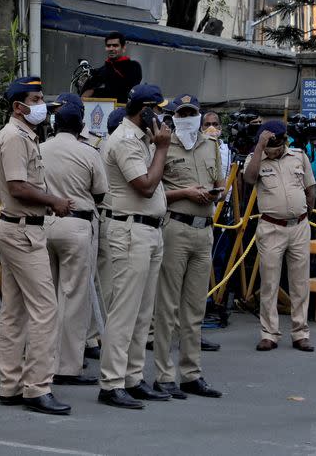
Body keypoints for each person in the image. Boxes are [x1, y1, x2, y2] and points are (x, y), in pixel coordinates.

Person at [0, 76, 73, 415]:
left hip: (18, 228)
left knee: (15, 311)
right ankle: (37, 387)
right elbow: (18, 187)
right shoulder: (14, 137)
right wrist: (53, 200)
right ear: (18, 106)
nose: (41, 105)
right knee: (44, 310)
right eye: (36, 98)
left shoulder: (23, 135)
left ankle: (11, 385)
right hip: (23, 231)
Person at [98, 83, 172, 410]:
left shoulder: (142, 139)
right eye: (158, 109)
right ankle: (112, 382)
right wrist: (163, 149)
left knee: (143, 313)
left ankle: (132, 377)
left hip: (149, 231)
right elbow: (144, 186)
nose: (163, 116)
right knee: (125, 311)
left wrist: (157, 146)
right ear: (144, 110)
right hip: (131, 230)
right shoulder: (126, 140)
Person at [152, 95, 223, 400]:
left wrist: (213, 194)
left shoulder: (212, 147)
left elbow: (220, 185)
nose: (188, 117)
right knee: (168, 306)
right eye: (182, 113)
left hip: (204, 230)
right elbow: (151, 190)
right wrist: (186, 192)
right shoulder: (163, 146)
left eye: (192, 112)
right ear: (174, 116)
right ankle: (164, 375)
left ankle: (191, 373)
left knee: (195, 308)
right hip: (176, 227)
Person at [41, 94, 108, 385]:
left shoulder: (39, 149)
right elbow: (100, 191)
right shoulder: (89, 152)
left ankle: (43, 361)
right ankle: (67, 367)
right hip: (77, 225)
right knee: (74, 298)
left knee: (47, 298)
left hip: (44, 223)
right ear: (81, 125)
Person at [244, 121, 316, 352]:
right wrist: (259, 147)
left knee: (300, 282)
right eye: (269, 145)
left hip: (299, 226)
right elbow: (249, 178)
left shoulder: (298, 156)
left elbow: (310, 188)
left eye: (276, 144)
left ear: (284, 141)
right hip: (271, 227)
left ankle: (300, 332)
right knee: (270, 282)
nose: (273, 150)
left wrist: (305, 213)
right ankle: (269, 333)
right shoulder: (256, 158)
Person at [84, 107, 126, 360]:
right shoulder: (110, 146)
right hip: (107, 218)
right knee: (102, 284)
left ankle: (95, 335)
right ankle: (93, 336)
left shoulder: (103, 145)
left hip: (105, 218)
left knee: (104, 284)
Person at [80, 32, 143, 104]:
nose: (111, 48)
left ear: (123, 48)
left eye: (115, 45)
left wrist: (95, 92)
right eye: (108, 46)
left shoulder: (134, 66)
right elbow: (86, 91)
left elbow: (123, 91)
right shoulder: (103, 69)